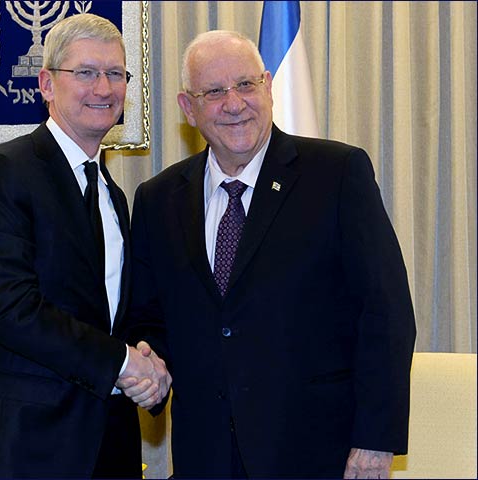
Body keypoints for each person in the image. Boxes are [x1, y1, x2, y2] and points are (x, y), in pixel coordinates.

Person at [124, 30, 416, 478]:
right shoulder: (157, 199)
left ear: (267, 86)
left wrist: (376, 439)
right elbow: (149, 318)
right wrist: (151, 365)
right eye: (215, 91)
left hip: (318, 452)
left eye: (245, 84)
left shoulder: (337, 175)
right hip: (206, 455)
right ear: (188, 107)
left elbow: (385, 312)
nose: (234, 103)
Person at [0, 13, 171, 479]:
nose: (103, 88)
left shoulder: (113, 195)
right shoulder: (1, 174)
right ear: (45, 83)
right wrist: (123, 363)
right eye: (85, 73)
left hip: (106, 448)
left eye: (115, 74)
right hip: (22, 450)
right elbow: (9, 309)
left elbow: (114, 314)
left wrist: (150, 360)